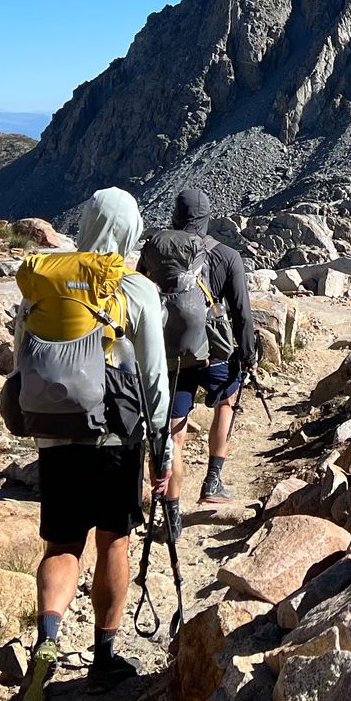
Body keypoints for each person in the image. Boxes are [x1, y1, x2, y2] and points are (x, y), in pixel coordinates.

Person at [21, 187, 170, 701]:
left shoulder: (46, 282)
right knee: (114, 543)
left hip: (57, 435)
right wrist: (163, 449)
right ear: (131, 233)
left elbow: (24, 354)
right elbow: (154, 378)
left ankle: (48, 636)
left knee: (61, 547)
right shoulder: (136, 290)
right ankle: (104, 660)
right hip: (116, 438)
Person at [140, 185, 258, 507]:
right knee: (228, 398)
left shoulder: (155, 250)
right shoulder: (227, 256)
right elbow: (241, 314)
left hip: (170, 354)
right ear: (207, 218)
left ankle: (172, 511)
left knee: (174, 435)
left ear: (175, 216)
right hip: (213, 355)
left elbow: (140, 299)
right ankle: (213, 480)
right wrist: (247, 356)